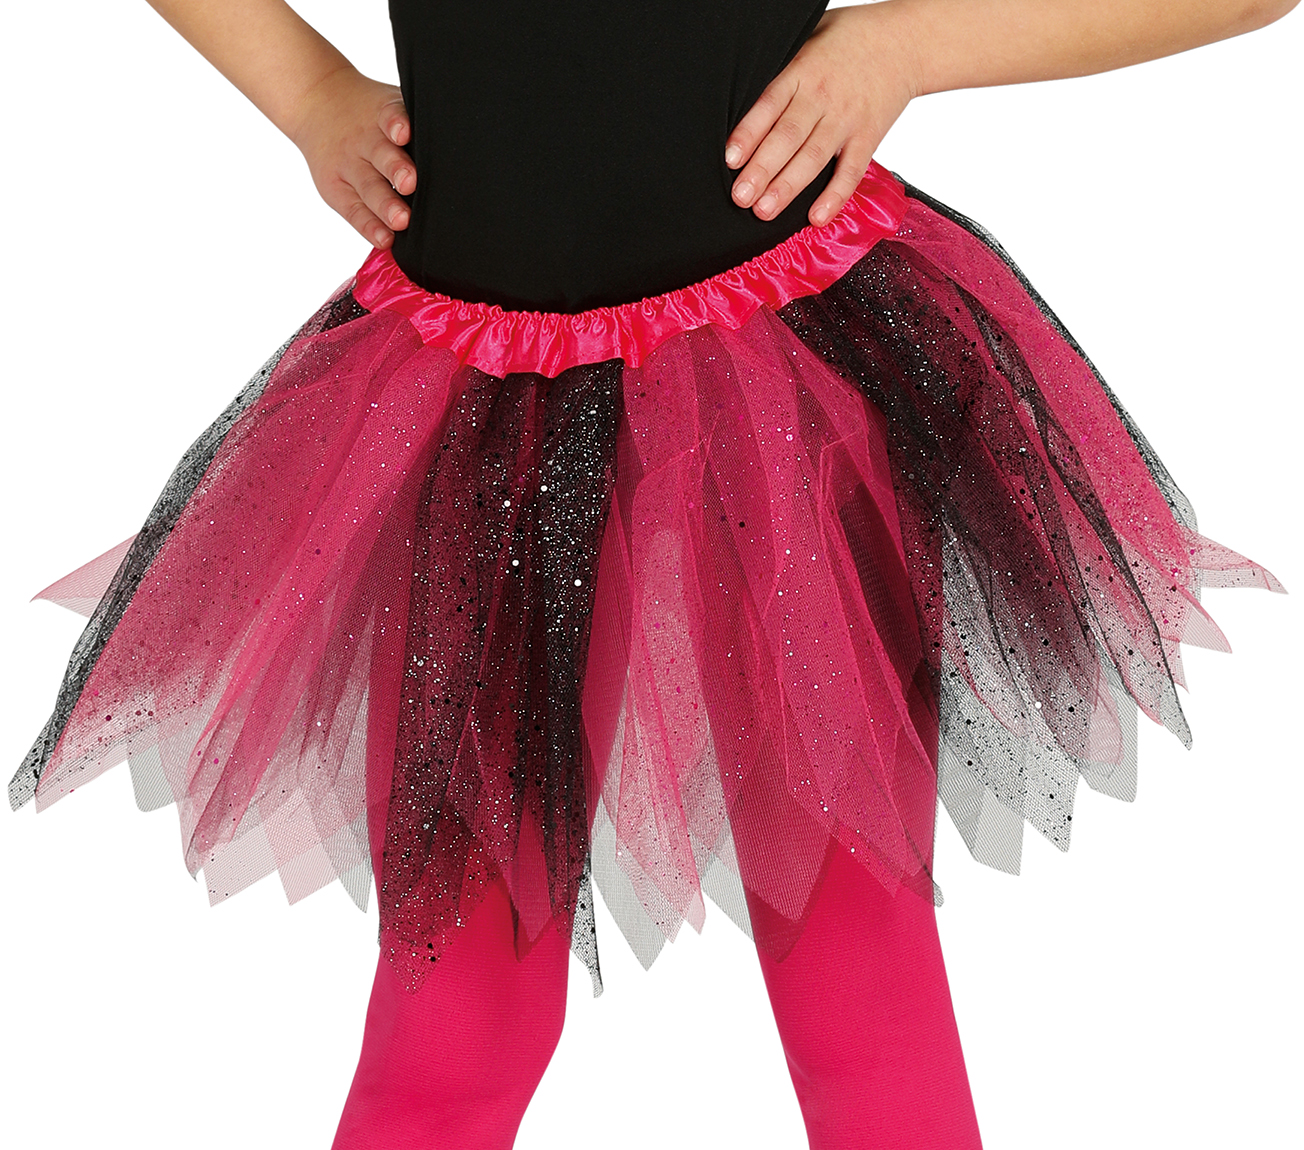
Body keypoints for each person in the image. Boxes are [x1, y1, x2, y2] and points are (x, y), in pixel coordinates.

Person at [4, 2, 1298, 1148]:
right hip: (484, 429)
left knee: (858, 999)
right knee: (450, 1033)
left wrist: (906, 44)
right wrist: (308, 93)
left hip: (777, 409)